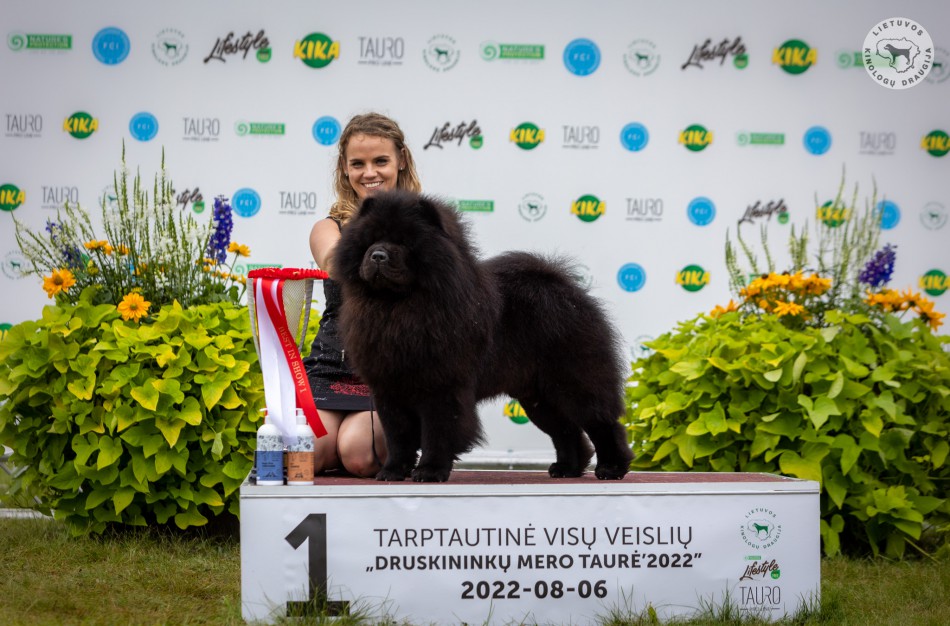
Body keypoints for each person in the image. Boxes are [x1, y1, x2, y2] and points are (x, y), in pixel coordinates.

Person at [304, 112, 422, 477]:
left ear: (401, 160)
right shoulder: (328, 227)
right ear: (344, 168)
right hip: (328, 369)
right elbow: (334, 261)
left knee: (356, 452)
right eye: (358, 163)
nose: (369, 172)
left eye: (380, 161)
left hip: (389, 376)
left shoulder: (425, 223)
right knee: (306, 453)